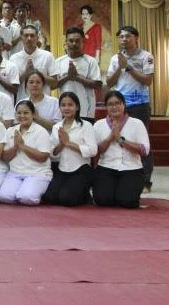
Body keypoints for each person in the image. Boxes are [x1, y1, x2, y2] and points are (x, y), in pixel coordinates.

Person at [106, 26, 155, 192]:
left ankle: (146, 181)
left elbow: (147, 81)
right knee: (119, 138)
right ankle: (121, 174)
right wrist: (120, 67)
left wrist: (128, 67)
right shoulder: (115, 59)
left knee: (141, 141)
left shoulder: (146, 56)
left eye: (128, 36)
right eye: (121, 37)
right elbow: (110, 83)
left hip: (140, 104)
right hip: (120, 106)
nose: (124, 39)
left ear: (136, 38)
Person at [92, 90, 150, 209]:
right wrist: (110, 137)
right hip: (106, 167)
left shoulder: (137, 123)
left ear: (124, 105)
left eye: (117, 103)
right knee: (102, 200)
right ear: (106, 107)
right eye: (110, 104)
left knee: (127, 202)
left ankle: (123, 193)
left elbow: (144, 150)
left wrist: (120, 139)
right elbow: (96, 151)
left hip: (131, 168)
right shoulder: (99, 125)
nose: (114, 107)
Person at [43, 92, 97, 206]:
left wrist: (68, 143)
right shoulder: (56, 127)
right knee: (49, 198)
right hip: (62, 168)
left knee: (67, 199)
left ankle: (85, 194)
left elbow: (93, 151)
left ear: (77, 107)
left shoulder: (86, 125)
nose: (66, 108)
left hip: (81, 168)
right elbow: (52, 154)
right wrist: (62, 144)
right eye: (63, 105)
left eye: (70, 105)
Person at [0, 100, 52, 205]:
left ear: (33, 114)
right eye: (19, 113)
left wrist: (22, 146)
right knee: (4, 197)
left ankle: (30, 191)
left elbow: (43, 157)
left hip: (37, 173)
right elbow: (4, 157)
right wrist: (16, 147)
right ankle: (23, 191)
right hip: (15, 173)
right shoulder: (10, 131)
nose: (22, 116)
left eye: (26, 113)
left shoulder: (41, 131)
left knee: (27, 198)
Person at [52, 27, 102, 123]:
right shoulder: (58, 62)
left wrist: (76, 77)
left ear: (83, 42)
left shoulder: (91, 61)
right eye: (71, 41)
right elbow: (52, 85)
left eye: (77, 41)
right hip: (64, 111)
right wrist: (67, 76)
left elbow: (97, 85)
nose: (74, 43)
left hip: (86, 111)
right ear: (66, 42)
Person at [11, 24, 55, 102]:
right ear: (21, 38)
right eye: (26, 36)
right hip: (23, 103)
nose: (29, 38)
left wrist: (37, 74)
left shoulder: (47, 56)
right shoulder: (14, 58)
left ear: (37, 38)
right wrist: (25, 73)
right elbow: (13, 86)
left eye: (32, 36)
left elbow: (55, 82)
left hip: (45, 102)